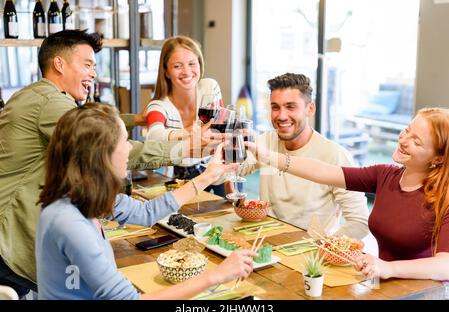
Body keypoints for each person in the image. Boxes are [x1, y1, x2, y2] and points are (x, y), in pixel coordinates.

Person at [0, 29, 218, 297]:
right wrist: (186, 148)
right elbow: (96, 137)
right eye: (88, 64)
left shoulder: (41, 95)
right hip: (12, 233)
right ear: (59, 64)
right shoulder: (50, 103)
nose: (93, 73)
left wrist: (135, 119)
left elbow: (88, 122)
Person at [36, 103, 256, 300]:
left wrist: (206, 177)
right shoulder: (69, 223)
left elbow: (146, 212)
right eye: (125, 141)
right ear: (101, 155)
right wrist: (216, 275)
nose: (131, 148)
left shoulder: (80, 198)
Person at [248, 107, 449, 281]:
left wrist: (388, 268)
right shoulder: (385, 175)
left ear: (438, 159)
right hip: (384, 283)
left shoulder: (444, 197)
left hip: (425, 291)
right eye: (407, 130)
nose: (404, 140)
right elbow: (325, 172)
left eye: (417, 141)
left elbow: (445, 266)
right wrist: (268, 156)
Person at [237, 73, 369, 239]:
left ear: (310, 109)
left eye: (291, 107)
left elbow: (360, 221)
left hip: (310, 255)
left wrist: (326, 249)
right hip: (265, 244)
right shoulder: (266, 141)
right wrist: (224, 147)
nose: (281, 116)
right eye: (275, 107)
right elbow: (234, 171)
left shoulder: (335, 155)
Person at [144, 35, 226, 196]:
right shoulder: (158, 105)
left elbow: (220, 128)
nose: (187, 71)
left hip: (214, 167)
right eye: (177, 66)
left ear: (200, 64)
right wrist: (187, 131)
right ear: (166, 71)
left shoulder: (210, 87)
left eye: (191, 63)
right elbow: (153, 136)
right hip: (180, 177)